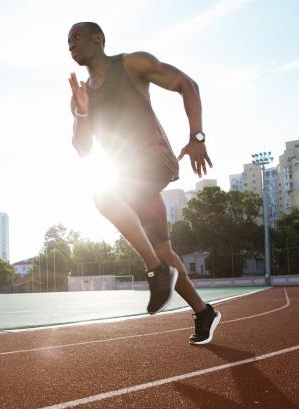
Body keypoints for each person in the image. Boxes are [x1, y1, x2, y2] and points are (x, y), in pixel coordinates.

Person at [67, 22, 220, 345]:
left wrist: (197, 137)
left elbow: (187, 84)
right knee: (163, 250)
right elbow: (83, 149)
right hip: (130, 178)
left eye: (76, 37)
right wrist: (82, 113)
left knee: (103, 194)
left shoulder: (131, 64)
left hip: (153, 161)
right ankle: (203, 311)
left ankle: (156, 272)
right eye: (67, 41)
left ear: (99, 39)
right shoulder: (82, 94)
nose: (70, 44)